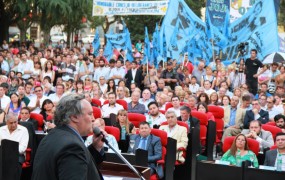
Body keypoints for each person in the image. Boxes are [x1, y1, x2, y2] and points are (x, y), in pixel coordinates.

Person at [32, 94, 105, 180]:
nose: (93, 119)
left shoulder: (51, 137)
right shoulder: (72, 147)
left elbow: (78, 164)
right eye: (90, 114)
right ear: (74, 117)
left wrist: (95, 148)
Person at [0, 113, 29, 179]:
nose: (14, 125)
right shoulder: (1, 130)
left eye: (15, 122)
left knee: (13, 166)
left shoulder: (23, 130)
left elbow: (23, 148)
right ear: (6, 122)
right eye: (11, 123)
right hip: (3, 154)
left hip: (17, 155)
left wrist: (10, 151)